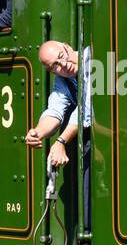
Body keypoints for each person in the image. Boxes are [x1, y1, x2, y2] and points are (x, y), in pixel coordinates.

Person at [26, 41, 92, 228]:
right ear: (52, 72)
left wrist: (61, 141)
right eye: (55, 65)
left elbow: (87, 108)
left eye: (62, 56)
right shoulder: (63, 80)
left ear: (67, 47)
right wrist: (37, 132)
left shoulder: (93, 58)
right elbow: (54, 112)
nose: (63, 65)